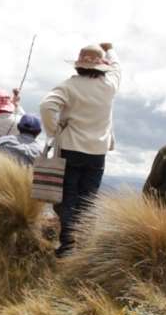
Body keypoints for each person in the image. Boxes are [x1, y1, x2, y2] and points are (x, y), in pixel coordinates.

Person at [40, 42, 120, 257]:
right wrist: (109, 49)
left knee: (68, 197)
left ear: (78, 65)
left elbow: (47, 106)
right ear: (101, 66)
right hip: (97, 152)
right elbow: (117, 66)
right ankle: (83, 243)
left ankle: (68, 245)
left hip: (70, 148)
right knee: (88, 199)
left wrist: (54, 131)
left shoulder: (68, 86)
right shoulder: (109, 85)